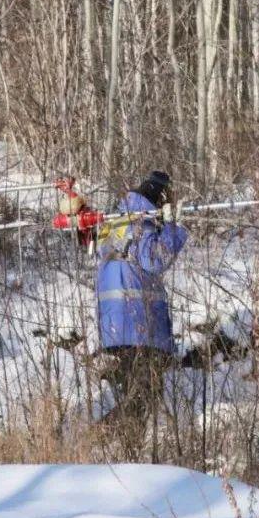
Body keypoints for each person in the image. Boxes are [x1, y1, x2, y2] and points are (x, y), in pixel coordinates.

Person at [95, 171, 188, 457]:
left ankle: (128, 457)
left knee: (136, 398)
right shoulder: (141, 223)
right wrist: (173, 226)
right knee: (144, 396)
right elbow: (154, 259)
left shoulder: (115, 223)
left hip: (115, 326)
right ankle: (96, 438)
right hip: (139, 325)